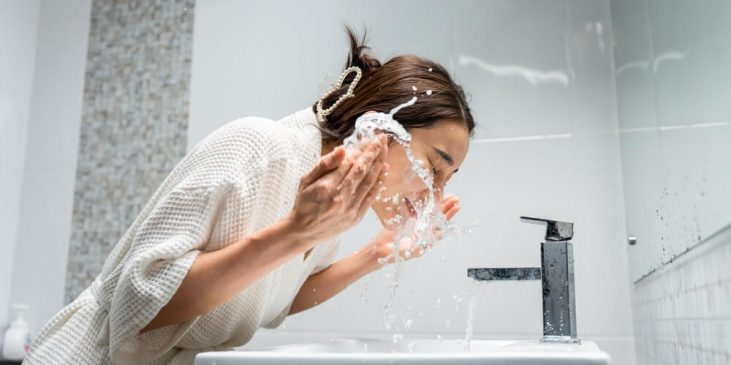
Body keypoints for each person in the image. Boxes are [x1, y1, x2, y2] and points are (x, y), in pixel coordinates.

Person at [24, 26, 475, 365]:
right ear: (380, 127)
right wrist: (294, 234)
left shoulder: (329, 204)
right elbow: (138, 304)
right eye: (434, 167)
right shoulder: (258, 145)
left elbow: (274, 296)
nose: (433, 194)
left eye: (446, 181)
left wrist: (376, 253)